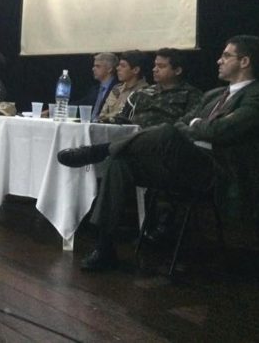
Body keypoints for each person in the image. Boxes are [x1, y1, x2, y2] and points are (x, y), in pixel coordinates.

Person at [57, 35, 259, 272]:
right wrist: (197, 126)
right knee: (120, 162)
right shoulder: (213, 95)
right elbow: (184, 122)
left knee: (166, 131)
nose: (219, 60)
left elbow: (221, 130)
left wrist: (196, 125)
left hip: (217, 171)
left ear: (244, 61)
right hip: (184, 164)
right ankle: (104, 247)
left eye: (226, 55)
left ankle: (98, 151)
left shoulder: (254, 95)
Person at [114, 48, 202, 128]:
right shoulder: (140, 93)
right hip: (133, 136)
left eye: (161, 66)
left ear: (177, 71)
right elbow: (121, 121)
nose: (155, 69)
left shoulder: (191, 95)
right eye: (155, 65)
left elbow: (189, 126)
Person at [97, 50, 150, 122]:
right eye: (119, 65)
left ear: (136, 70)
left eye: (123, 66)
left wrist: (109, 117)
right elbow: (101, 116)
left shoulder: (144, 92)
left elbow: (129, 119)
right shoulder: (117, 89)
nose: (118, 68)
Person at [74, 53, 119, 121]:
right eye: (94, 66)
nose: (93, 69)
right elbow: (82, 104)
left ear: (109, 69)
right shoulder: (94, 90)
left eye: (98, 66)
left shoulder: (119, 88)